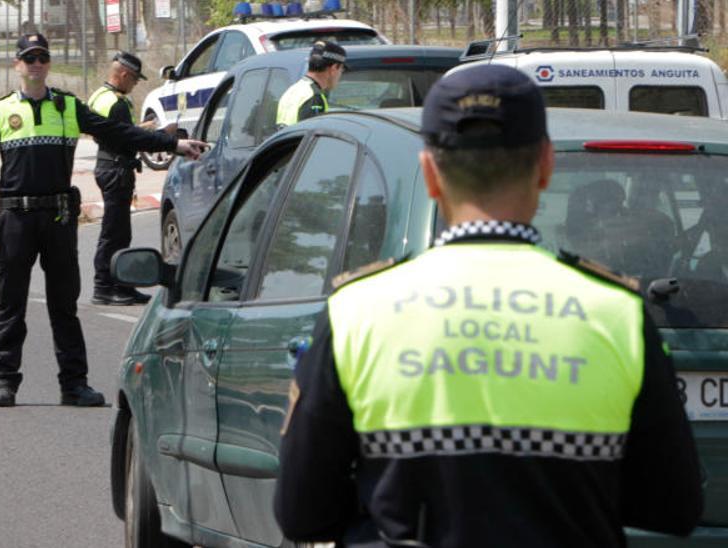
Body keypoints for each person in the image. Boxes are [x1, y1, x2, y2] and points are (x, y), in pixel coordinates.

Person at [273, 65, 702, 546]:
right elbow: (674, 505)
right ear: (545, 165)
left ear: (430, 174)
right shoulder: (616, 313)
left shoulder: (358, 312)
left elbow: (302, 514)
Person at [0, 33, 208, 408]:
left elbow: (118, 133)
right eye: (28, 58)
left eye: (41, 57)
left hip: (58, 216)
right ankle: (5, 382)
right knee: (11, 304)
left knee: (64, 305)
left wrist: (171, 144)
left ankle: (74, 384)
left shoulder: (67, 107)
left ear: (48, 64)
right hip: (16, 218)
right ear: (17, 65)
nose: (35, 64)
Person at [86, 51, 174, 306]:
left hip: (108, 165)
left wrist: (143, 129)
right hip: (116, 169)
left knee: (117, 232)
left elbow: (116, 132)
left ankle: (122, 284)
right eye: (134, 80)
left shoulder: (99, 97)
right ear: (124, 75)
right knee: (115, 234)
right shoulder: (117, 103)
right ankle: (105, 286)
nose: (134, 85)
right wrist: (161, 135)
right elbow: (128, 138)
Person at [275, 40, 346, 127]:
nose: (340, 74)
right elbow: (312, 136)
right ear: (334, 68)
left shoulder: (293, 91)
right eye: (341, 69)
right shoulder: (314, 97)